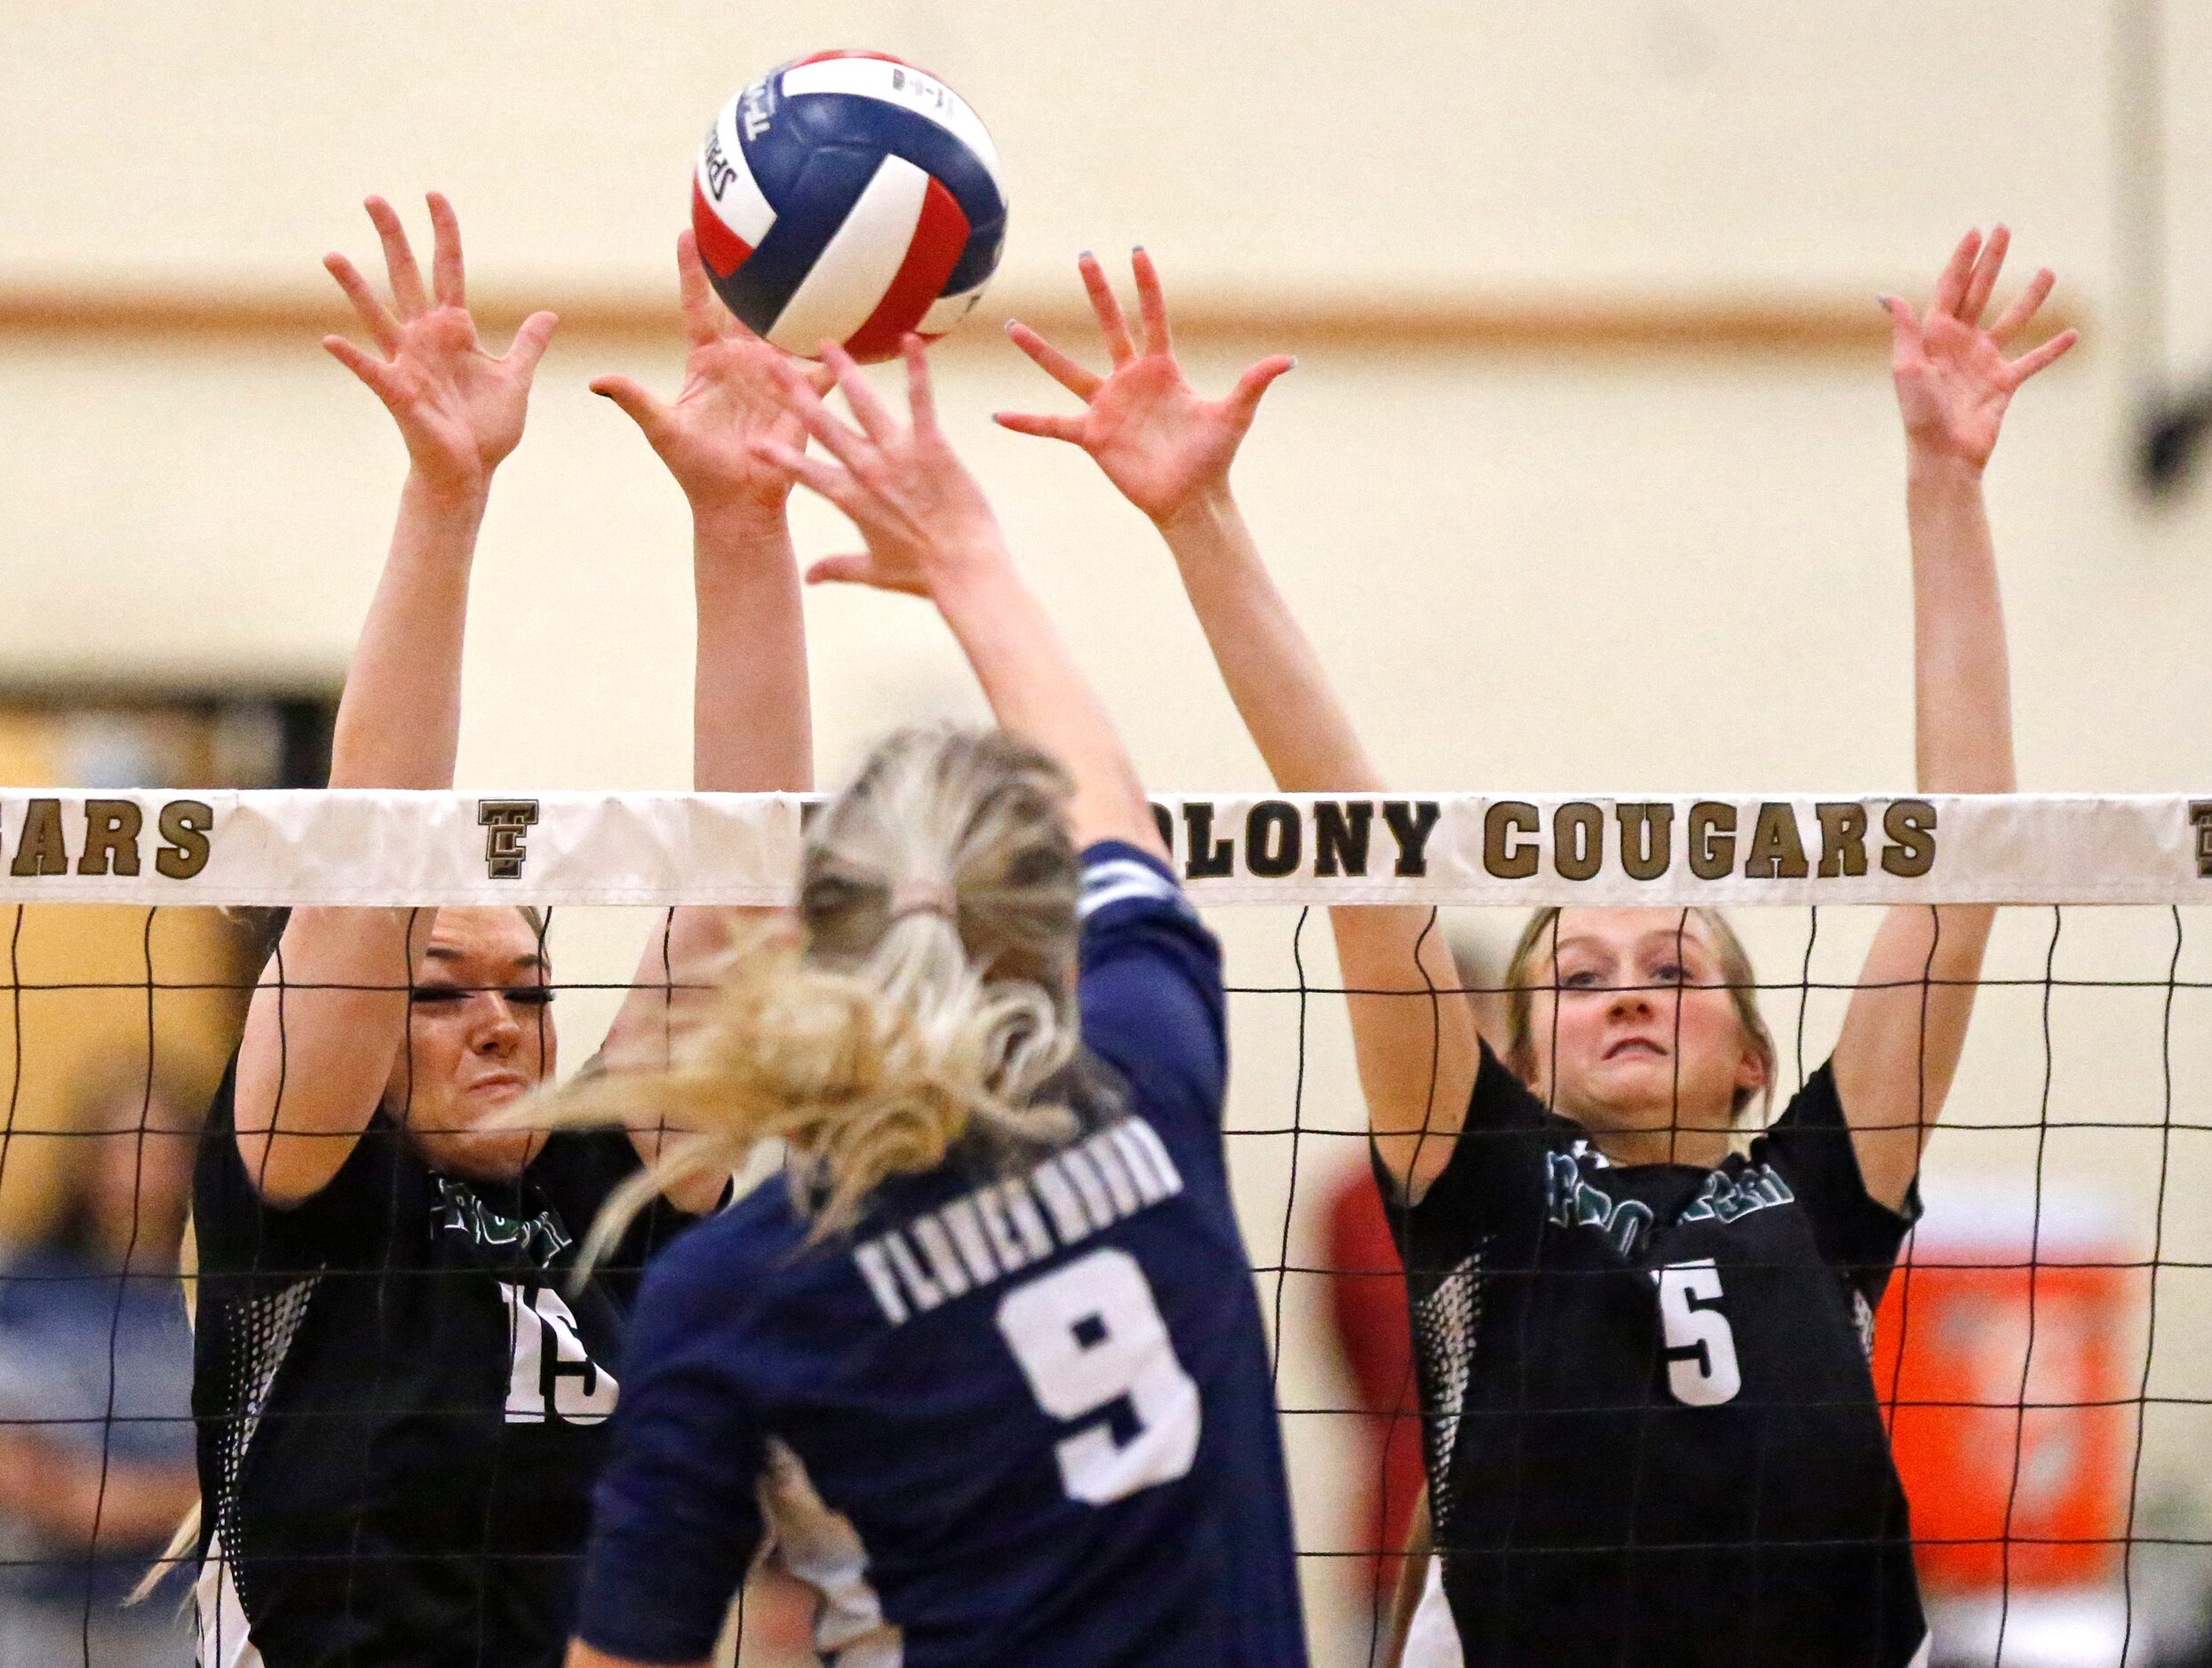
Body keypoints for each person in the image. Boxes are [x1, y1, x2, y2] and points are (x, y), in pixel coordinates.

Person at [994, 229, 2073, 1667]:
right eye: (1578, 972)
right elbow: (1360, 845)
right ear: (1513, 1045)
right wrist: (1201, 521)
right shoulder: (1483, 1175)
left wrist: (1944, 480)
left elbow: (1966, 860)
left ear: (1755, 1053)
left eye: (1673, 965)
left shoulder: (1826, 1186)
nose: (1626, 980)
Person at [557, 337, 1309, 1668]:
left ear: (804, 941)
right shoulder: (1148, 1062)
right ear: (1057, 945)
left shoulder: (737, 1285)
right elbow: (1109, 803)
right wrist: (965, 555)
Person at [189, 197, 818, 1668]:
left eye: (529, 986)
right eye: (443, 988)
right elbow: (364, 854)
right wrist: (447, 497)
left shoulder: (617, 1186)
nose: (498, 1020)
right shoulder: (315, 1197)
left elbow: (747, 881)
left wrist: (743, 524)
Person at [0, 1068, 202, 1668]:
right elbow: (34, 1485)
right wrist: (196, 1493)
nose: (143, 1170)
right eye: (124, 1146)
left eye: (165, 1149)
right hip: (42, 1619)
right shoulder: (24, 1288)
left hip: (182, 1623)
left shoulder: (225, 1301)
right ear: (86, 1161)